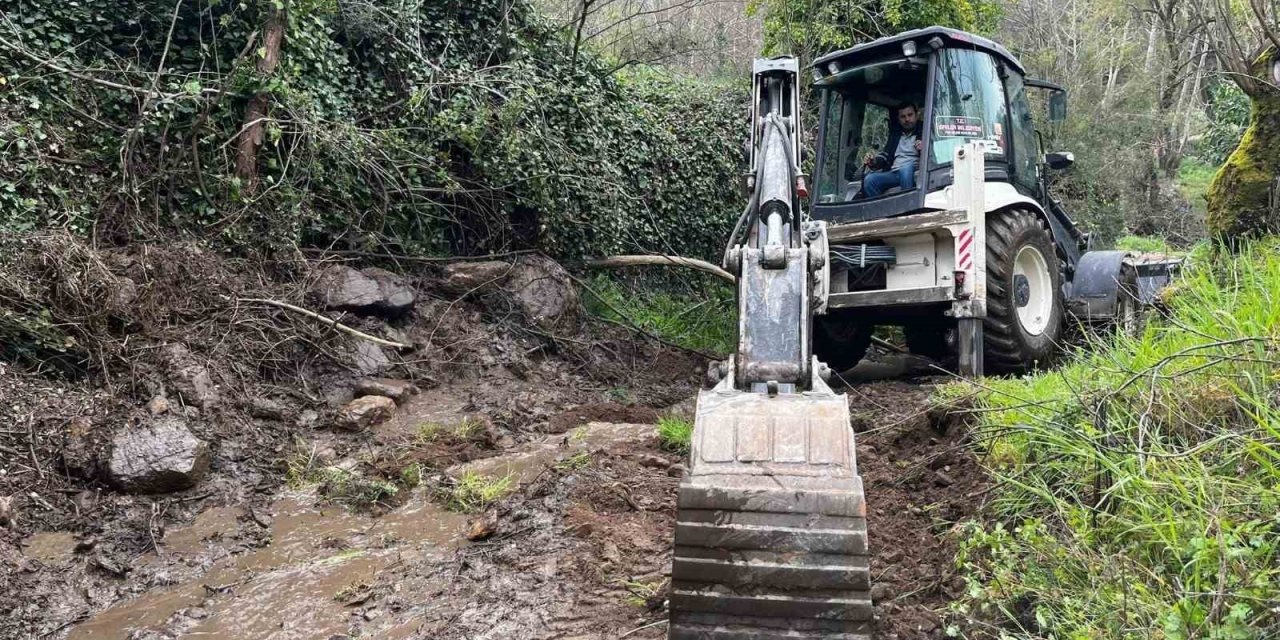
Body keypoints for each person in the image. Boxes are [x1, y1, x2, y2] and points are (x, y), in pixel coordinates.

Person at [861, 103, 923, 198]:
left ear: (916, 115)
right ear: (898, 119)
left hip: (915, 172)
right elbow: (886, 155)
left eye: (910, 115)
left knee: (905, 168)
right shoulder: (896, 134)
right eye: (903, 117)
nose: (907, 119)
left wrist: (924, 148)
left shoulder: (925, 130)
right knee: (869, 179)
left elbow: (937, 153)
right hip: (894, 173)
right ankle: (881, 211)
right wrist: (873, 161)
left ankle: (908, 207)